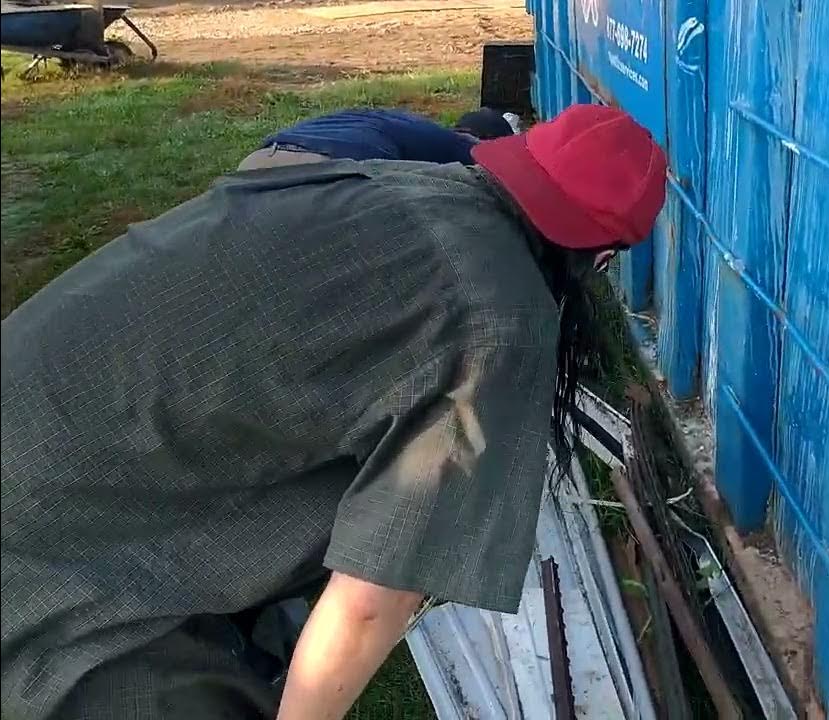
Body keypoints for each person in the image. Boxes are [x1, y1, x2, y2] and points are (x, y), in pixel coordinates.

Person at [1, 104, 666, 720]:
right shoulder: (497, 322)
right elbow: (372, 601)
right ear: (601, 258)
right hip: (48, 544)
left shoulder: (381, 183)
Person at [237, 106, 516, 171]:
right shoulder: (456, 146)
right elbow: (489, 163)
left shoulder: (399, 122)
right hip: (332, 169)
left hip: (259, 159)